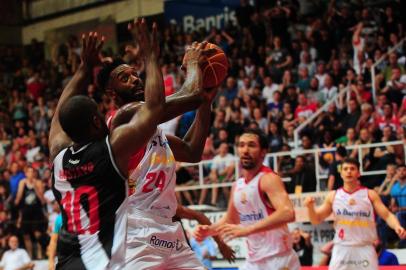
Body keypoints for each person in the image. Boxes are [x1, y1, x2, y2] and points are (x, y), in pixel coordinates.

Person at [101, 20, 231, 268]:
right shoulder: (123, 117)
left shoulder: (153, 131)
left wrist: (206, 101)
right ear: (111, 92)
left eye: (135, 75)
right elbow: (176, 99)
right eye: (124, 78)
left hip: (168, 229)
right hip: (136, 229)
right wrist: (193, 67)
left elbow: (192, 151)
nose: (135, 80)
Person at [49, 22, 166, 269]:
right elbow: (155, 107)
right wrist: (151, 56)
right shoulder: (110, 150)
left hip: (67, 262)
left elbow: (60, 115)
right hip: (104, 262)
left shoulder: (57, 156)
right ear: (95, 121)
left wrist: (83, 69)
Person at [194, 129, 300, 270]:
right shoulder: (237, 186)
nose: (245, 150)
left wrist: (248, 229)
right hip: (254, 262)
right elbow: (231, 220)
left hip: (279, 259)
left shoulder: (268, 179)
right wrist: (209, 231)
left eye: (251, 145)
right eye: (242, 145)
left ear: (263, 151)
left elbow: (288, 213)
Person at [305, 158, 406, 270]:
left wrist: (397, 226)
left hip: (365, 248)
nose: (349, 171)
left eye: (352, 169)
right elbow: (316, 219)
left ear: (358, 173)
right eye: (345, 169)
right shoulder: (333, 196)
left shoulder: (370, 194)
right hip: (342, 247)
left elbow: (387, 215)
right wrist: (310, 208)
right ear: (341, 173)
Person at [14, 166, 47, 259]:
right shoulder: (22, 182)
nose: (30, 174)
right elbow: (18, 200)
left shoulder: (39, 182)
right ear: (26, 174)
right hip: (26, 212)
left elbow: (42, 201)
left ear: (34, 173)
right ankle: (30, 255)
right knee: (26, 235)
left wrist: (35, 187)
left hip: (37, 211)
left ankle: (40, 254)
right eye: (28, 172)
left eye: (32, 172)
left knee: (38, 234)